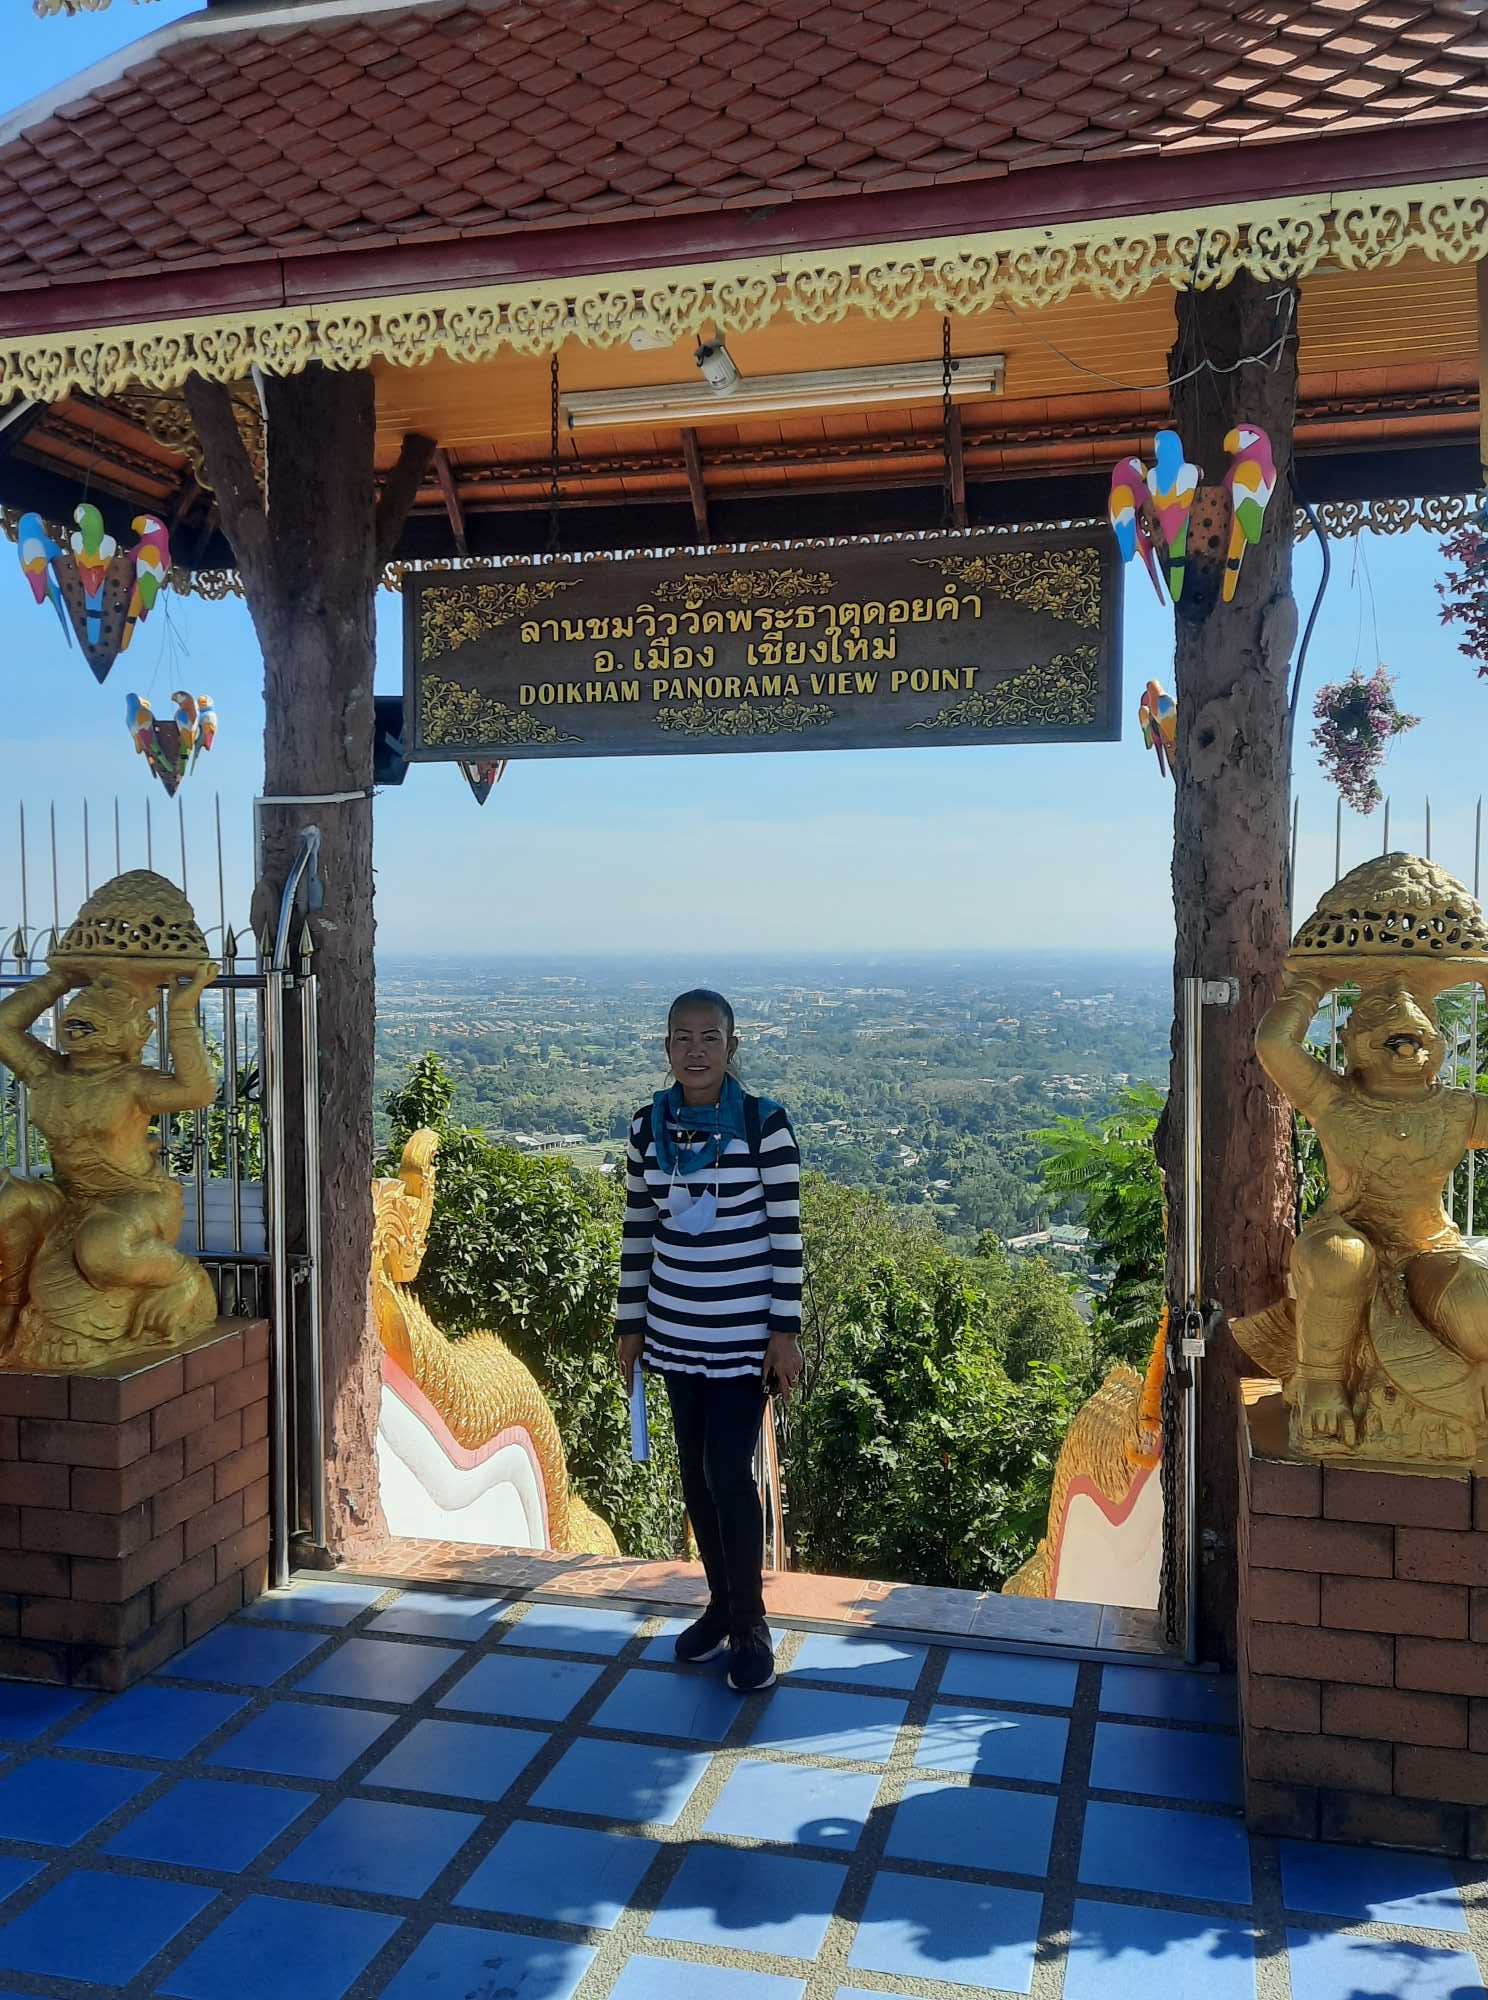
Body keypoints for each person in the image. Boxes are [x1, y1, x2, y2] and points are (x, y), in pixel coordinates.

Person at [615, 989, 802, 1691]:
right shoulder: (648, 1128)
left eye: (710, 1038)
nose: (695, 1051)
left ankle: (751, 1623)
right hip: (674, 1330)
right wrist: (629, 1323)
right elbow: (639, 1231)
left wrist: (784, 1333)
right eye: (682, 1037)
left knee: (728, 1471)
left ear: (732, 1046)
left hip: (743, 1337)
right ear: (666, 1047)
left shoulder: (763, 1125)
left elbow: (786, 1235)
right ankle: (720, 1606)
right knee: (695, 1473)